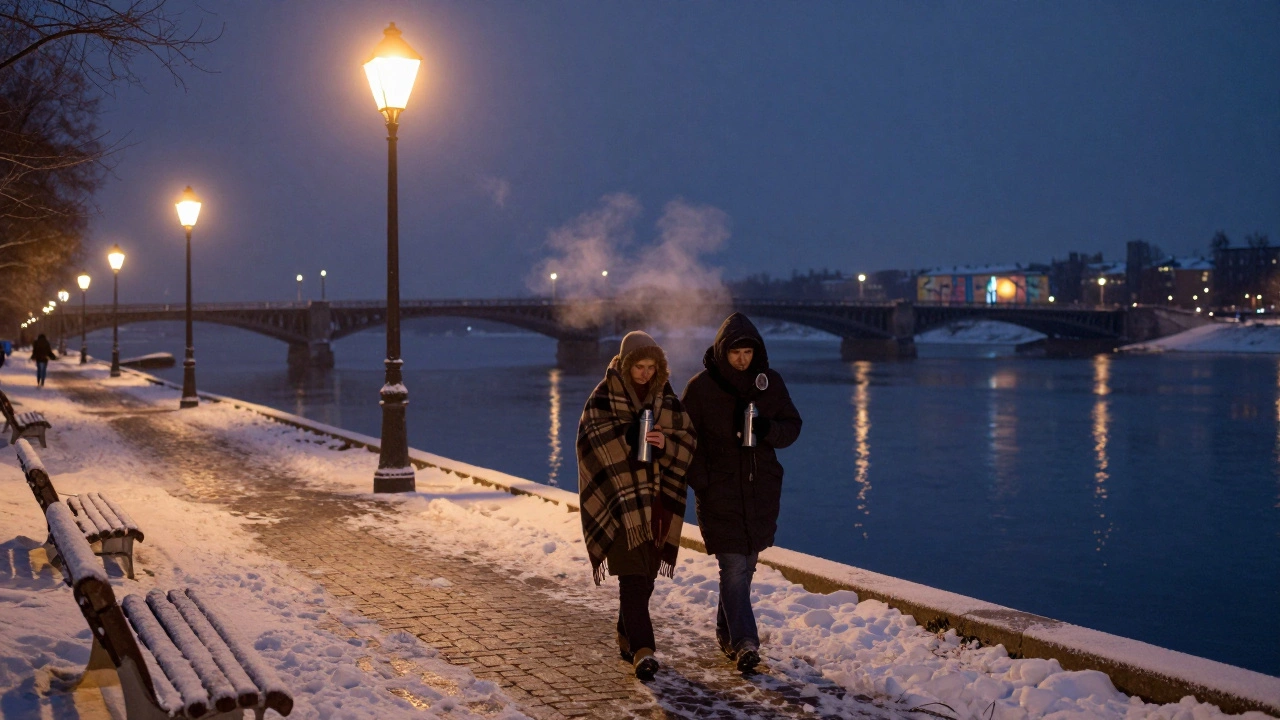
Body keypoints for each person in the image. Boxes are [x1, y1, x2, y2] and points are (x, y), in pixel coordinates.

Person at [681, 313, 802, 672]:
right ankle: (745, 642)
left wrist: (768, 430)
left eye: (748, 352)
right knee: (734, 566)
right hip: (719, 493)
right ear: (722, 352)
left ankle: (725, 631)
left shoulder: (769, 384)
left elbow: (792, 426)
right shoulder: (701, 388)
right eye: (735, 353)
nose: (742, 359)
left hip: (760, 490)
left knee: (746, 566)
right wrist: (702, 480)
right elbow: (685, 441)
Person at [577, 331, 696, 680]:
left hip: (657, 503)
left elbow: (688, 440)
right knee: (631, 578)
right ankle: (645, 650)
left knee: (644, 580)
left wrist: (664, 447)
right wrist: (628, 438)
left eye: (651, 367)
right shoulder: (603, 397)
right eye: (639, 367)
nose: (645, 374)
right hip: (619, 506)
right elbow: (589, 444)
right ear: (626, 365)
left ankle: (625, 633)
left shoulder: (667, 398)